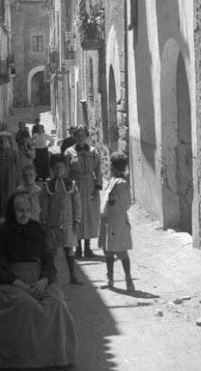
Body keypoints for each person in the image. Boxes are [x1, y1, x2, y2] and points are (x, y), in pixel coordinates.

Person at [0, 192, 77, 371]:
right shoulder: (1, 233)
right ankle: (25, 362)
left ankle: (54, 359)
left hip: (39, 279)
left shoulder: (37, 230)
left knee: (55, 302)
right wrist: (24, 287)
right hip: (10, 282)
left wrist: (43, 280)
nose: (24, 214)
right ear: (11, 211)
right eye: (19, 210)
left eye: (27, 210)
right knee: (26, 305)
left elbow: (48, 259)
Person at [40, 153, 83, 285]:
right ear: (52, 169)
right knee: (52, 251)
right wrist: (44, 221)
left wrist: (76, 221)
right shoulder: (48, 186)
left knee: (69, 249)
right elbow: (44, 204)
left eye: (61, 167)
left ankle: (73, 276)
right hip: (52, 224)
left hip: (67, 223)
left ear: (66, 168)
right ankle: (52, 276)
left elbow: (77, 204)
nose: (59, 170)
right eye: (56, 168)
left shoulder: (71, 184)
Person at [99, 152, 135, 292]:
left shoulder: (121, 183)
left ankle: (128, 279)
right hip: (108, 221)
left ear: (114, 167)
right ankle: (110, 279)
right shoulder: (112, 181)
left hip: (117, 221)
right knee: (108, 250)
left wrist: (114, 205)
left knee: (121, 250)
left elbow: (126, 203)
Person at [65, 125, 102, 259]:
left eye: (83, 135)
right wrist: (67, 188)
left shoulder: (93, 152)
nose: (81, 138)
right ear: (74, 137)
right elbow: (66, 171)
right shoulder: (69, 152)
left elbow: (98, 170)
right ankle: (78, 247)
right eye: (78, 135)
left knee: (90, 215)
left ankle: (87, 247)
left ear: (86, 136)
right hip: (76, 185)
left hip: (90, 185)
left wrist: (97, 187)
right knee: (77, 215)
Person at [0, 131, 20, 224]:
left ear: (8, 141)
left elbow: (17, 165)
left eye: (5, 140)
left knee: (9, 196)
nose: (3, 141)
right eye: (0, 140)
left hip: (10, 179)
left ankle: (10, 219)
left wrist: (16, 179)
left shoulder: (14, 152)